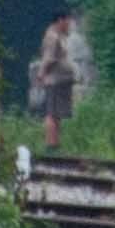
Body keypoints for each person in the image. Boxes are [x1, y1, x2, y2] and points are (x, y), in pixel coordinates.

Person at [30, 14, 78, 154]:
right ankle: (51, 145)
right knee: (51, 113)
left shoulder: (59, 36)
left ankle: (55, 144)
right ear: (60, 20)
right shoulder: (52, 37)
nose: (69, 25)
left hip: (60, 80)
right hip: (54, 80)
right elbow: (48, 58)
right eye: (67, 21)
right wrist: (41, 73)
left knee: (57, 114)